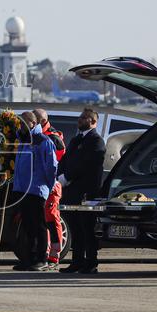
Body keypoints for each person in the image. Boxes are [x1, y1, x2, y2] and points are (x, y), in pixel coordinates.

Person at [57, 108, 106, 274]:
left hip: (87, 193)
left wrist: (67, 177)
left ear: (93, 121)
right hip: (72, 191)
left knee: (87, 228)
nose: (80, 120)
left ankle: (91, 262)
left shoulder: (96, 141)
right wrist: (60, 175)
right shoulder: (76, 139)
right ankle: (77, 261)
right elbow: (66, 159)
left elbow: (86, 165)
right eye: (80, 117)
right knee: (75, 228)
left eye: (84, 118)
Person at [11, 111, 59, 271]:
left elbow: (51, 166)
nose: (20, 126)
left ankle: (41, 258)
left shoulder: (42, 141)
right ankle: (29, 258)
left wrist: (48, 186)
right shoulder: (23, 140)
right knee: (27, 225)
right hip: (22, 188)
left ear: (32, 123)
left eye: (23, 122)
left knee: (38, 224)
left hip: (36, 189)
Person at [34, 108, 66, 267]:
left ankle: (54, 255)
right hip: (38, 184)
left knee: (51, 218)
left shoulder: (53, 138)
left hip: (51, 184)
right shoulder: (37, 137)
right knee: (41, 219)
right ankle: (43, 252)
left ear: (41, 121)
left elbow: (55, 165)